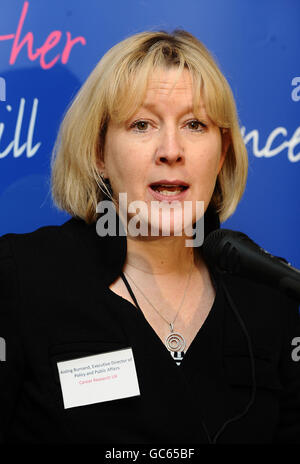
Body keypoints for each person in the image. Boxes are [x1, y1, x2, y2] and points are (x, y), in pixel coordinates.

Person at [0, 29, 299, 444]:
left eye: (195, 124)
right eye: (142, 124)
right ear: (99, 154)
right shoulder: (21, 277)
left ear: (223, 152)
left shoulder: (268, 295)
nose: (171, 150)